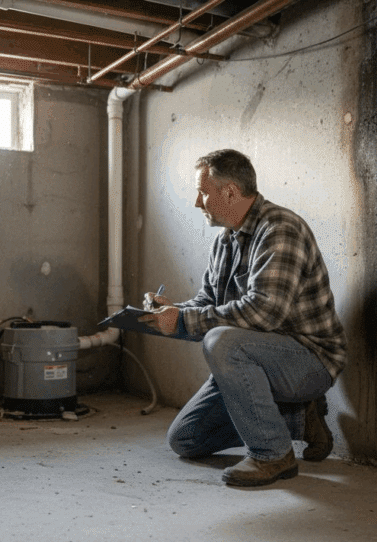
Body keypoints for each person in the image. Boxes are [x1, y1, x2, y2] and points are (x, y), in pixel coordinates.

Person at [138, 149, 346, 487]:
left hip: (309, 359)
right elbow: (209, 301)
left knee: (222, 341)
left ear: (230, 191)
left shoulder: (280, 229)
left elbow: (263, 312)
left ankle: (272, 454)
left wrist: (182, 321)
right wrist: (171, 310)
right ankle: (298, 418)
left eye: (202, 192)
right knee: (185, 440)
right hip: (256, 354)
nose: (197, 203)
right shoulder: (225, 240)